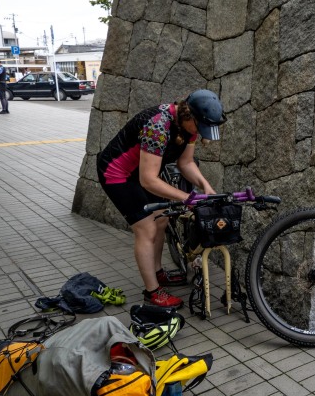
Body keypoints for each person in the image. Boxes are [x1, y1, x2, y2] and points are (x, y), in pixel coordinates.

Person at [97, 89, 226, 307]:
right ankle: (152, 291)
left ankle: (158, 273)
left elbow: (185, 163)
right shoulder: (158, 126)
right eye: (200, 128)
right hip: (117, 173)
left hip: (142, 172)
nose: (201, 134)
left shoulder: (190, 126)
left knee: (162, 219)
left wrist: (205, 186)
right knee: (146, 228)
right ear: (188, 116)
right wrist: (187, 197)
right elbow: (148, 180)